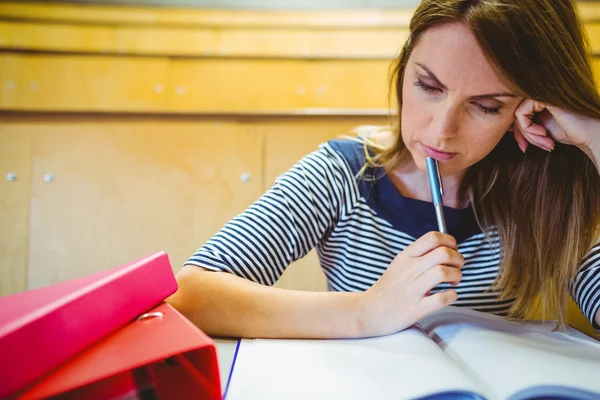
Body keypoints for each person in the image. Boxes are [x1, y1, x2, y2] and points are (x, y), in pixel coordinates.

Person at [166, 0, 600, 339]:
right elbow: (192, 291)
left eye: (486, 106)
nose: (442, 130)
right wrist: (363, 313)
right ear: (403, 69)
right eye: (428, 86)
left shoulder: (541, 188)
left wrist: (593, 137)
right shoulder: (343, 173)